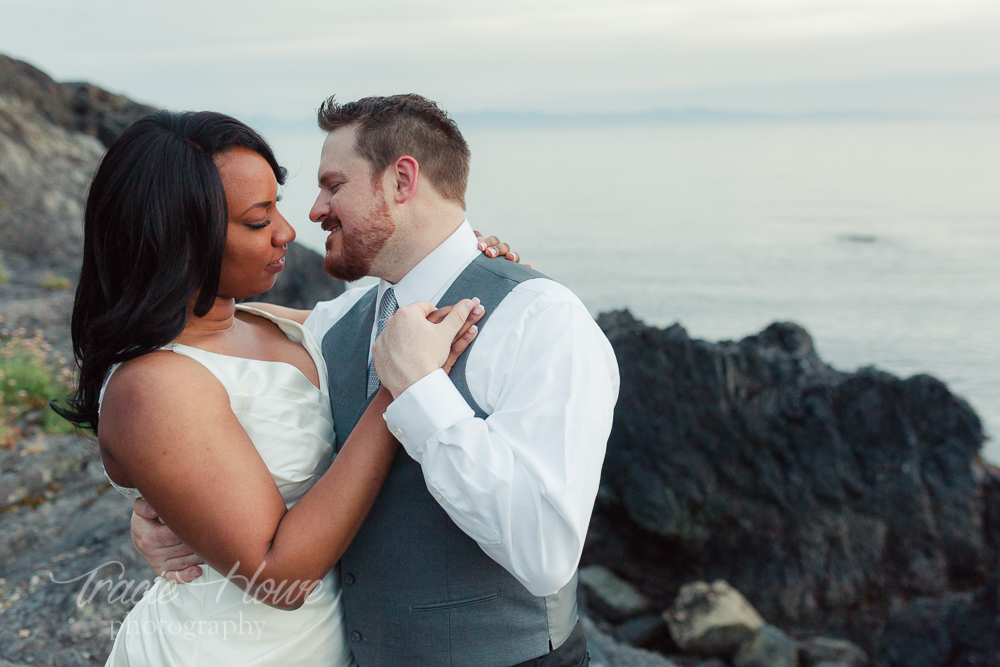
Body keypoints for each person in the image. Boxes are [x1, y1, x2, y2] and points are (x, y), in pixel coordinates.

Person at [135, 94, 620, 666]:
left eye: (333, 185)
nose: (314, 213)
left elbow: (545, 556)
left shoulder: (541, 318)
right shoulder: (342, 320)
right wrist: (165, 502)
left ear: (401, 180)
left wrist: (419, 391)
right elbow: (220, 354)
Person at [55, 109, 514, 666]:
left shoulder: (270, 323)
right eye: (257, 220)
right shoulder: (152, 386)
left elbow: (398, 315)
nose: (288, 232)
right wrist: (400, 390)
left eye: (277, 204)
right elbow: (279, 575)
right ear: (179, 236)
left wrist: (468, 261)